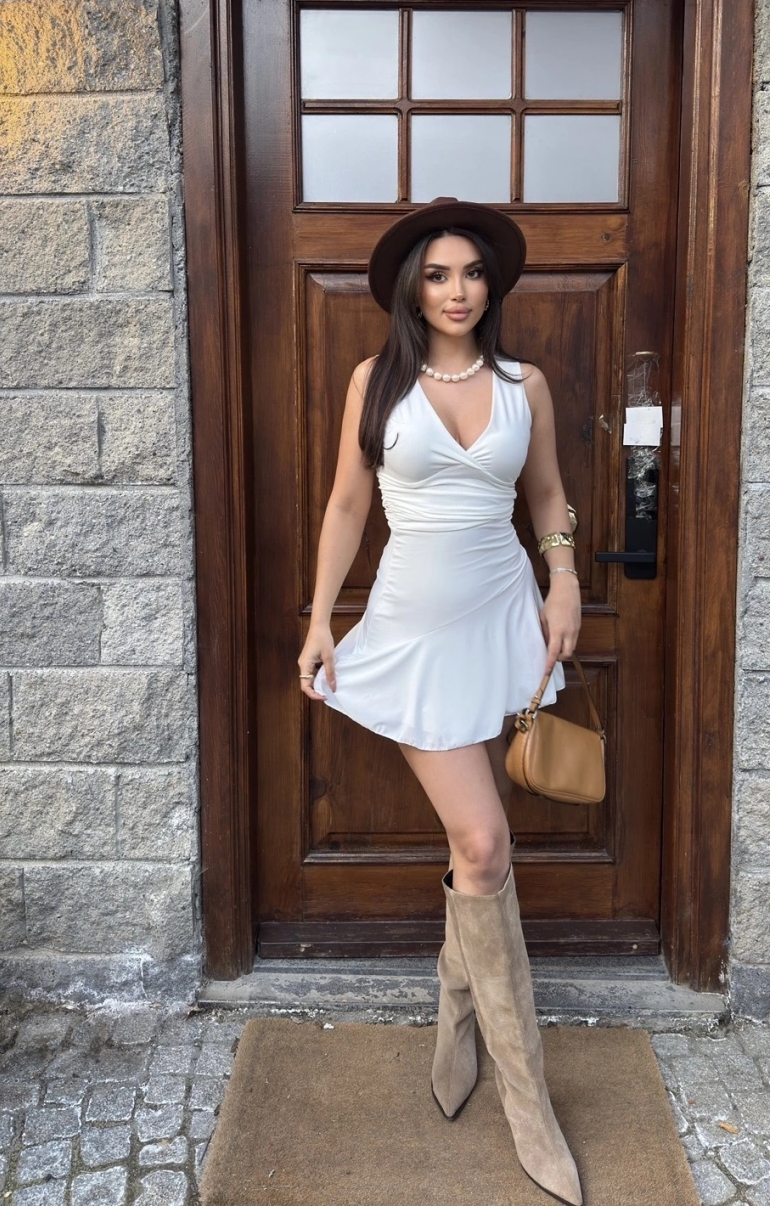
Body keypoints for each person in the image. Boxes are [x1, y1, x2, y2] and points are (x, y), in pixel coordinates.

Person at [297, 197, 583, 1206]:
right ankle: (527, 1098)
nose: (458, 289)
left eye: (472, 272)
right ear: (412, 291)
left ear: (491, 285)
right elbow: (345, 502)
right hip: (413, 635)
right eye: (438, 274)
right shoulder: (373, 381)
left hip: (502, 621)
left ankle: (457, 1020)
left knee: (478, 851)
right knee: (485, 840)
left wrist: (564, 578)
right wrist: (321, 617)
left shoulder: (523, 384)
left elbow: (545, 495)